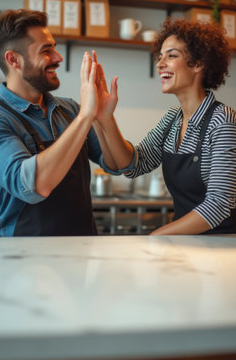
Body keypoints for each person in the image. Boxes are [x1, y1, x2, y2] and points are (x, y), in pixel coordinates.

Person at [0, 8, 119, 237]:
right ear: (14, 60)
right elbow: (34, 185)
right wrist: (85, 116)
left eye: (54, 47)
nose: (58, 57)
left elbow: (114, 164)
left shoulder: (69, 109)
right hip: (23, 262)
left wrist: (104, 117)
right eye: (46, 50)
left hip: (80, 254)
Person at [93, 19, 236, 235]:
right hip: (186, 243)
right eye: (160, 57)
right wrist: (105, 118)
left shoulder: (222, 121)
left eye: (171, 55)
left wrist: (158, 235)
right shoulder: (172, 120)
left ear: (198, 64)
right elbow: (133, 166)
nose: (160, 64)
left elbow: (219, 204)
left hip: (222, 246)